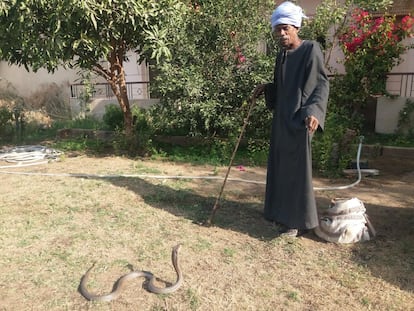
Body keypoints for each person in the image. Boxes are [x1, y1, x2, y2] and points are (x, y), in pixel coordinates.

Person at [253, 1, 329, 237]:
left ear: (296, 27)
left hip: (300, 121)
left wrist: (315, 112)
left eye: (286, 28)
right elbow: (282, 87)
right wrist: (266, 88)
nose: (282, 33)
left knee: (297, 172)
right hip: (282, 121)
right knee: (280, 167)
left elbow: (321, 83)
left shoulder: (311, 49)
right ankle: (278, 212)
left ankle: (296, 222)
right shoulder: (282, 55)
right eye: (278, 29)